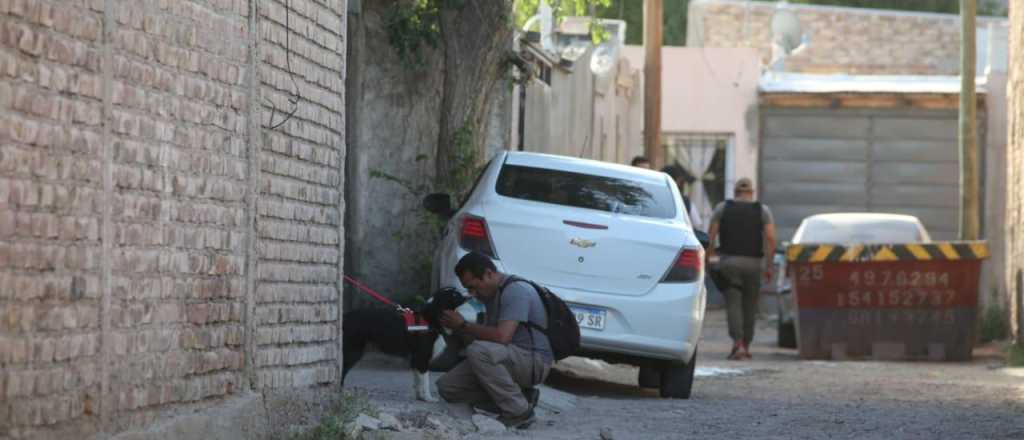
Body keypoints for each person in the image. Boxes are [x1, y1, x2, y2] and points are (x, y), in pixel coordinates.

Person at [436, 252, 553, 429]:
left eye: (474, 287)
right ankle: (522, 397)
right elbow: (480, 341)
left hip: (533, 361)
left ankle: (518, 412)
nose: (473, 294)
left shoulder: (516, 291)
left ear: (489, 273)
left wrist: (463, 324)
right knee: (448, 387)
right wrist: (455, 328)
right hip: (506, 357)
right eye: (468, 289)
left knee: (478, 351)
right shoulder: (489, 297)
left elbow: (501, 337)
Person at [706, 177, 776, 360]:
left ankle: (737, 343)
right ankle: (746, 344)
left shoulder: (722, 208)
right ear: (751, 193)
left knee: (733, 303)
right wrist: (769, 266)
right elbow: (770, 239)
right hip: (754, 264)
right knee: (750, 305)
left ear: (735, 193)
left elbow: (711, 235)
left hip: (729, 263)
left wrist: (710, 258)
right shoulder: (762, 210)